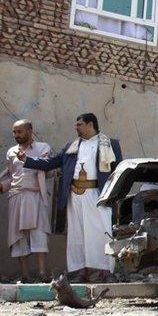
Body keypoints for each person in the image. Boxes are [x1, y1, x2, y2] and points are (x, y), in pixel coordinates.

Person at [18, 113, 122, 282]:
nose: (76, 127)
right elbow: (52, 162)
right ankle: (81, 271)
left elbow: (118, 170)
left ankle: (104, 271)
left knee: (101, 232)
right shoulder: (71, 147)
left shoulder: (110, 144)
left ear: (90, 124)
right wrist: (27, 160)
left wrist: (115, 195)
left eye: (79, 124)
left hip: (98, 194)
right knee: (77, 234)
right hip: (75, 195)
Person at [0, 120, 51, 282]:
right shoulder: (11, 152)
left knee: (39, 234)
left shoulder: (43, 148)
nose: (16, 135)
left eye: (20, 132)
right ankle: (25, 275)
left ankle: (43, 274)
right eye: (14, 132)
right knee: (18, 237)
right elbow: (12, 177)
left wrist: (27, 159)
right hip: (16, 197)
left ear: (30, 131)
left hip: (36, 196)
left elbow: (46, 168)